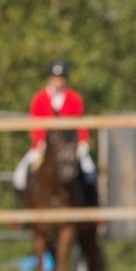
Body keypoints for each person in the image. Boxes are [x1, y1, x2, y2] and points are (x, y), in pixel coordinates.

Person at [12, 59, 98, 199]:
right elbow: (35, 124)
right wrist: (40, 142)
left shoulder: (74, 99)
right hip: (43, 146)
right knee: (19, 176)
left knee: (90, 172)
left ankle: (93, 215)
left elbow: (81, 123)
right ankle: (22, 215)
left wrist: (82, 142)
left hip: (70, 146)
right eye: (55, 77)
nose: (58, 80)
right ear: (49, 78)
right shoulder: (40, 98)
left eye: (61, 77)